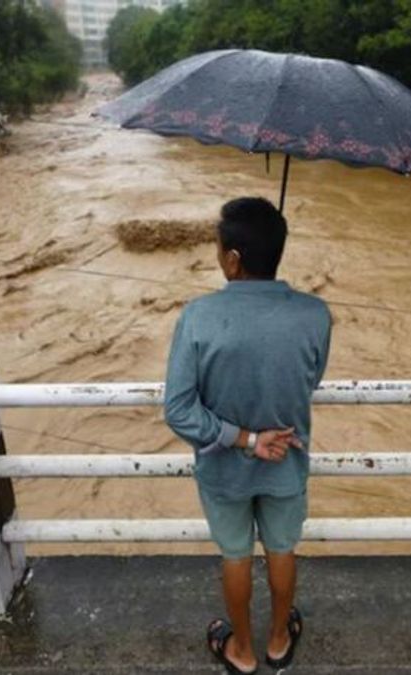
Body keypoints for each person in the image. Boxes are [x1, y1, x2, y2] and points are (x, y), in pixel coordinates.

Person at [164, 197, 332, 674]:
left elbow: (178, 409)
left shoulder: (197, 316)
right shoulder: (316, 314)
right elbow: (310, 379)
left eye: (219, 249)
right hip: (288, 460)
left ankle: (241, 650)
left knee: (236, 555)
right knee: (282, 549)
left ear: (233, 259)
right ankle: (279, 640)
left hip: (224, 467)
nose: (218, 257)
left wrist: (243, 438)